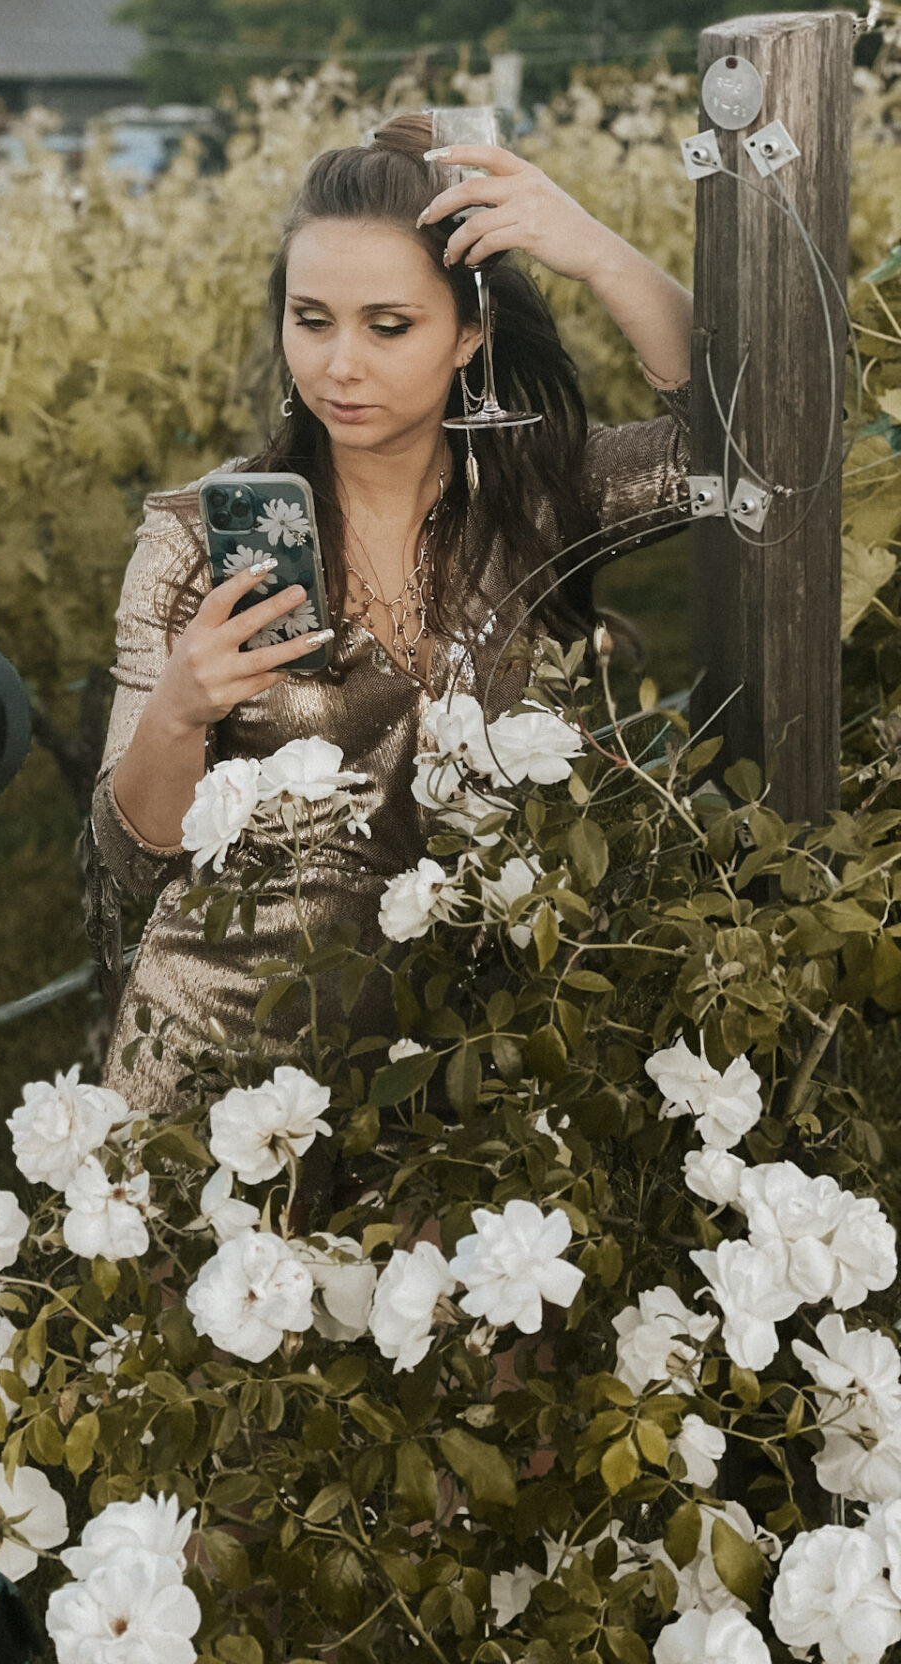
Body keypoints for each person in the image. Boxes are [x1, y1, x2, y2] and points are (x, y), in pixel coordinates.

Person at [83, 112, 694, 1115]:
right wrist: (181, 712)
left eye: (388, 324)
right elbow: (127, 862)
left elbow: (748, 445)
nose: (339, 365)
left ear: (469, 333)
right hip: (220, 1091)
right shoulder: (197, 542)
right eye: (311, 319)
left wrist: (594, 251)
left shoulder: (536, 502)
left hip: (453, 1079)